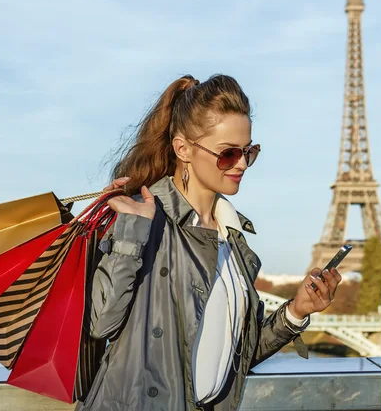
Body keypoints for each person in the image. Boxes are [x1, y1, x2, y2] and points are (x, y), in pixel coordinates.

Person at [76, 74, 342, 411]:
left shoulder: (234, 241)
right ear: (183, 149)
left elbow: (234, 354)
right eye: (228, 154)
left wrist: (295, 312)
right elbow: (101, 323)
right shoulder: (144, 221)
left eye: (249, 151)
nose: (242, 164)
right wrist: (130, 233)